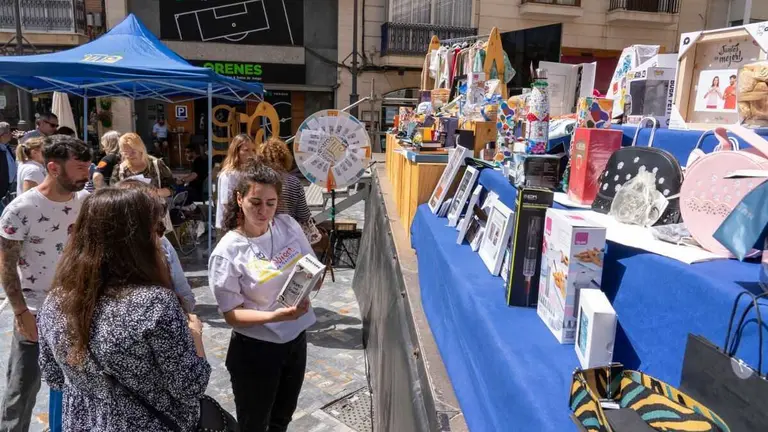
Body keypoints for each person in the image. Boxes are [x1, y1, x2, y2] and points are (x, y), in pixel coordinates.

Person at [37, 187, 210, 431]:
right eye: (158, 229)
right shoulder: (155, 304)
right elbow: (190, 386)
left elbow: (53, 376)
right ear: (139, 239)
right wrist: (196, 335)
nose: (161, 239)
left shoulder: (55, 301)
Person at [209, 163, 318, 432]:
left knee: (282, 418)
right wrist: (274, 316)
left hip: (295, 340)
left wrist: (312, 280)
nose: (263, 211)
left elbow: (311, 265)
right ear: (240, 199)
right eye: (255, 202)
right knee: (255, 424)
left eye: (271, 203)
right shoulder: (228, 252)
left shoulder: (287, 225)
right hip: (256, 350)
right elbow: (231, 314)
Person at [0, 135, 91, 432]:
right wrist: (20, 312)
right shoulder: (21, 209)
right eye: (79, 168)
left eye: (88, 167)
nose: (86, 175)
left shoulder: (86, 203)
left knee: (81, 385)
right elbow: (6, 266)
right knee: (23, 386)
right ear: (53, 168)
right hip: (35, 311)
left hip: (78, 310)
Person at [115, 179, 196, 312]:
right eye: (153, 208)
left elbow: (187, 298)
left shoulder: (163, 243)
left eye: (161, 207)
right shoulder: (106, 254)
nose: (160, 215)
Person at [256, 138, 312, 226]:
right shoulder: (294, 182)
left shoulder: (258, 182)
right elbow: (304, 215)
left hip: (264, 228)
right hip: (288, 229)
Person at [110, 132, 174, 198]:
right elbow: (112, 194)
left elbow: (172, 188)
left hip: (154, 204)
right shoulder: (119, 170)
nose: (129, 155)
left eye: (133, 152)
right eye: (125, 153)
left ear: (141, 149)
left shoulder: (157, 165)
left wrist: (156, 193)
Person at [216, 134, 256, 236]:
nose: (251, 154)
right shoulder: (228, 174)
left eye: (253, 150)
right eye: (246, 150)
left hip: (245, 224)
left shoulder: (250, 172)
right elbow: (227, 202)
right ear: (236, 152)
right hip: (229, 226)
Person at [0, 122, 16, 206]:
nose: (11, 134)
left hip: (10, 186)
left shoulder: (6, 146)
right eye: (9, 132)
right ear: (2, 135)